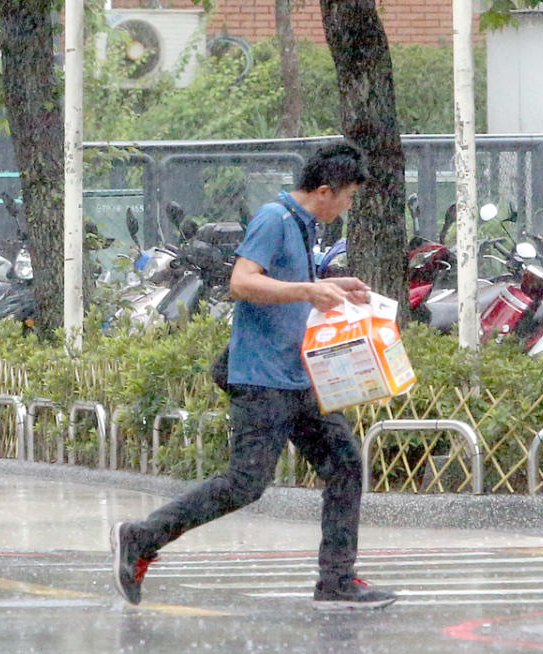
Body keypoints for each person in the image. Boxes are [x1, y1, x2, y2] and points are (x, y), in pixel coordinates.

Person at [111, 142, 397, 611]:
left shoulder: (302, 226)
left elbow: (286, 287)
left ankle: (337, 581)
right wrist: (307, 288)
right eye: (346, 197)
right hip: (262, 379)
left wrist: (329, 286)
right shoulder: (274, 218)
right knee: (246, 482)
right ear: (324, 191)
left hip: (297, 377)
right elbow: (243, 282)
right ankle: (141, 537)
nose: (348, 207)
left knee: (345, 465)